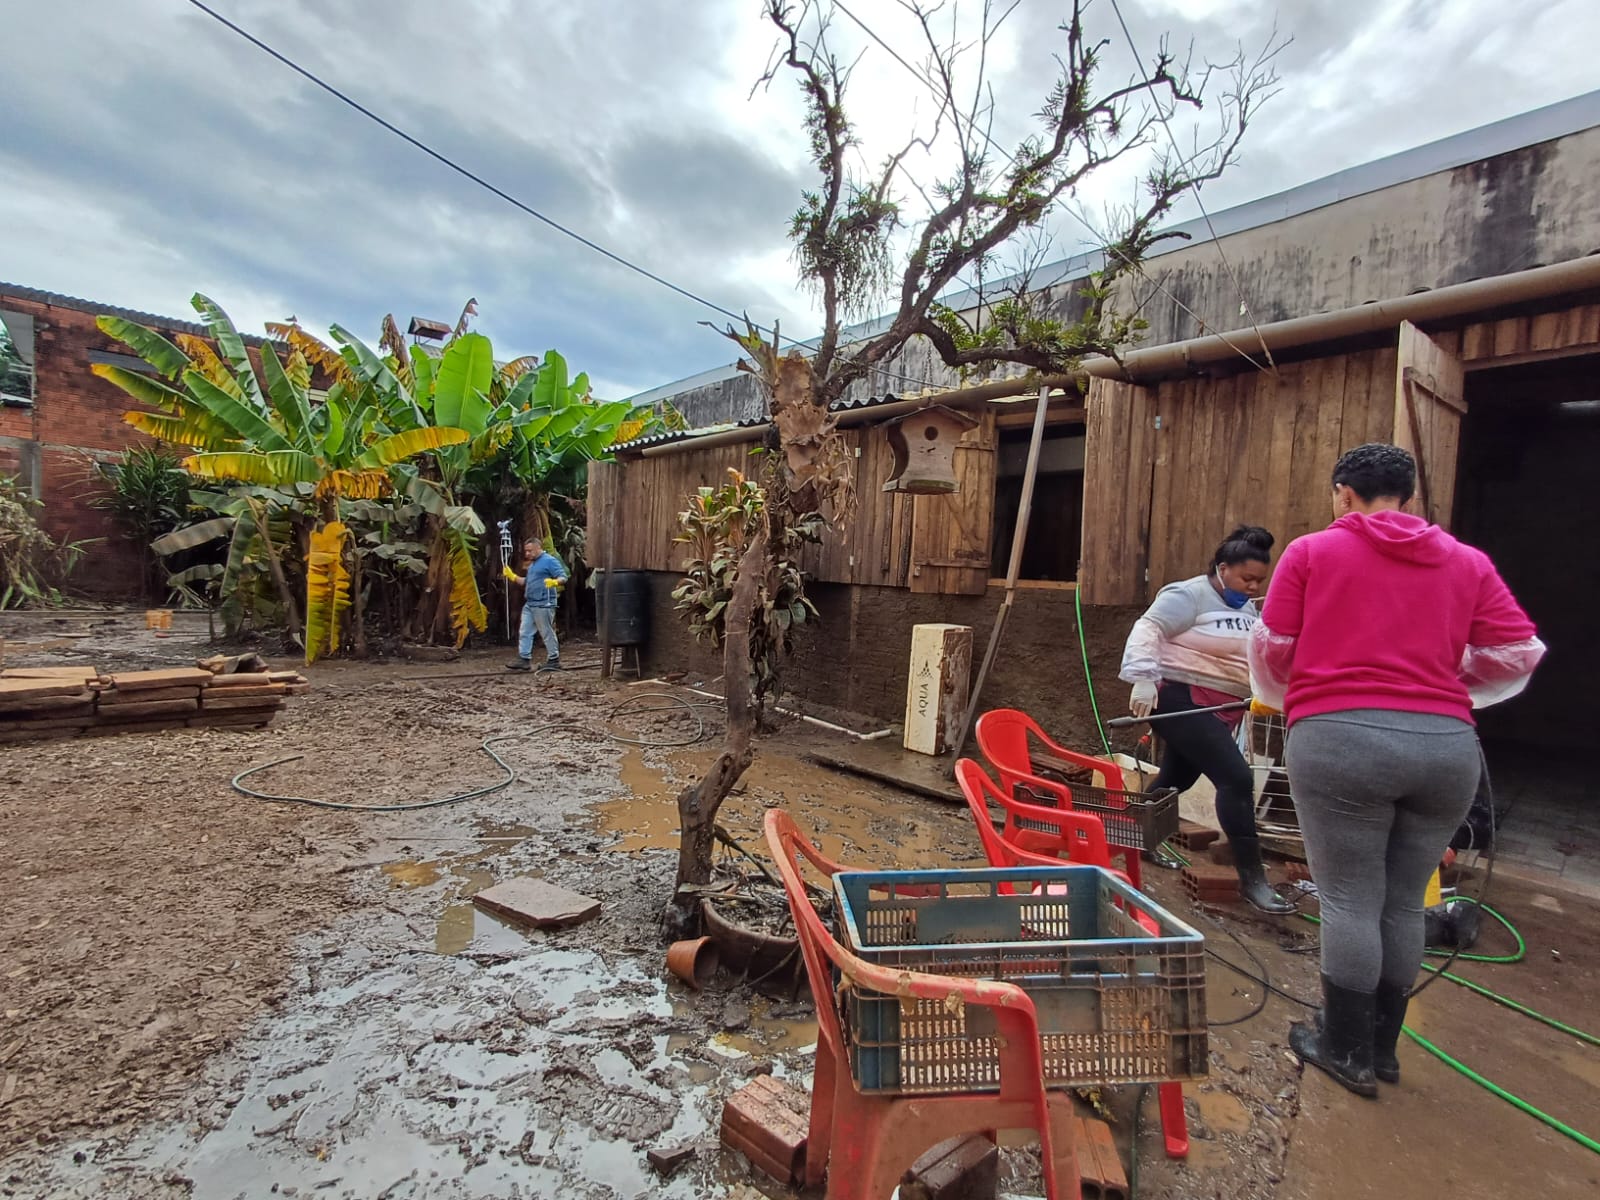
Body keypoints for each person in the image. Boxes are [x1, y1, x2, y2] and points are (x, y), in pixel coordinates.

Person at [1250, 443, 1543, 1098]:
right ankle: (1383, 1051)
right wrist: (1450, 685)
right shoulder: (1467, 561)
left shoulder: (1312, 552)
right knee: (1404, 899)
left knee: (1351, 897)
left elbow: (1272, 650)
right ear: (1405, 495)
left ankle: (1345, 1049)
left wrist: (1302, 693)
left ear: (1344, 494)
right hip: (1446, 747)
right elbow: (1519, 652)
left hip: (1341, 739)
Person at [1120, 525, 1294, 914]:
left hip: (1220, 706)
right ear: (1222, 567)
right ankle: (1253, 880)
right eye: (1247, 578)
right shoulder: (1188, 595)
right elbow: (1148, 628)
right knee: (1235, 777)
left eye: (1259, 581)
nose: (1253, 587)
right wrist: (1144, 680)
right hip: (1178, 697)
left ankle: (1129, 835)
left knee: (1177, 779)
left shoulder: (1245, 608)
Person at [504, 537, 567, 672]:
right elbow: (527, 582)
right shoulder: (533, 564)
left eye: (530, 551)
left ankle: (554, 659)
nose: (527, 554)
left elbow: (563, 576)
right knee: (525, 631)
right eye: (526, 551)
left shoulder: (549, 561)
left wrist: (555, 582)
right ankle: (524, 658)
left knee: (546, 631)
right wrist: (513, 577)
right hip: (531, 603)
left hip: (544, 603)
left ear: (538, 548)